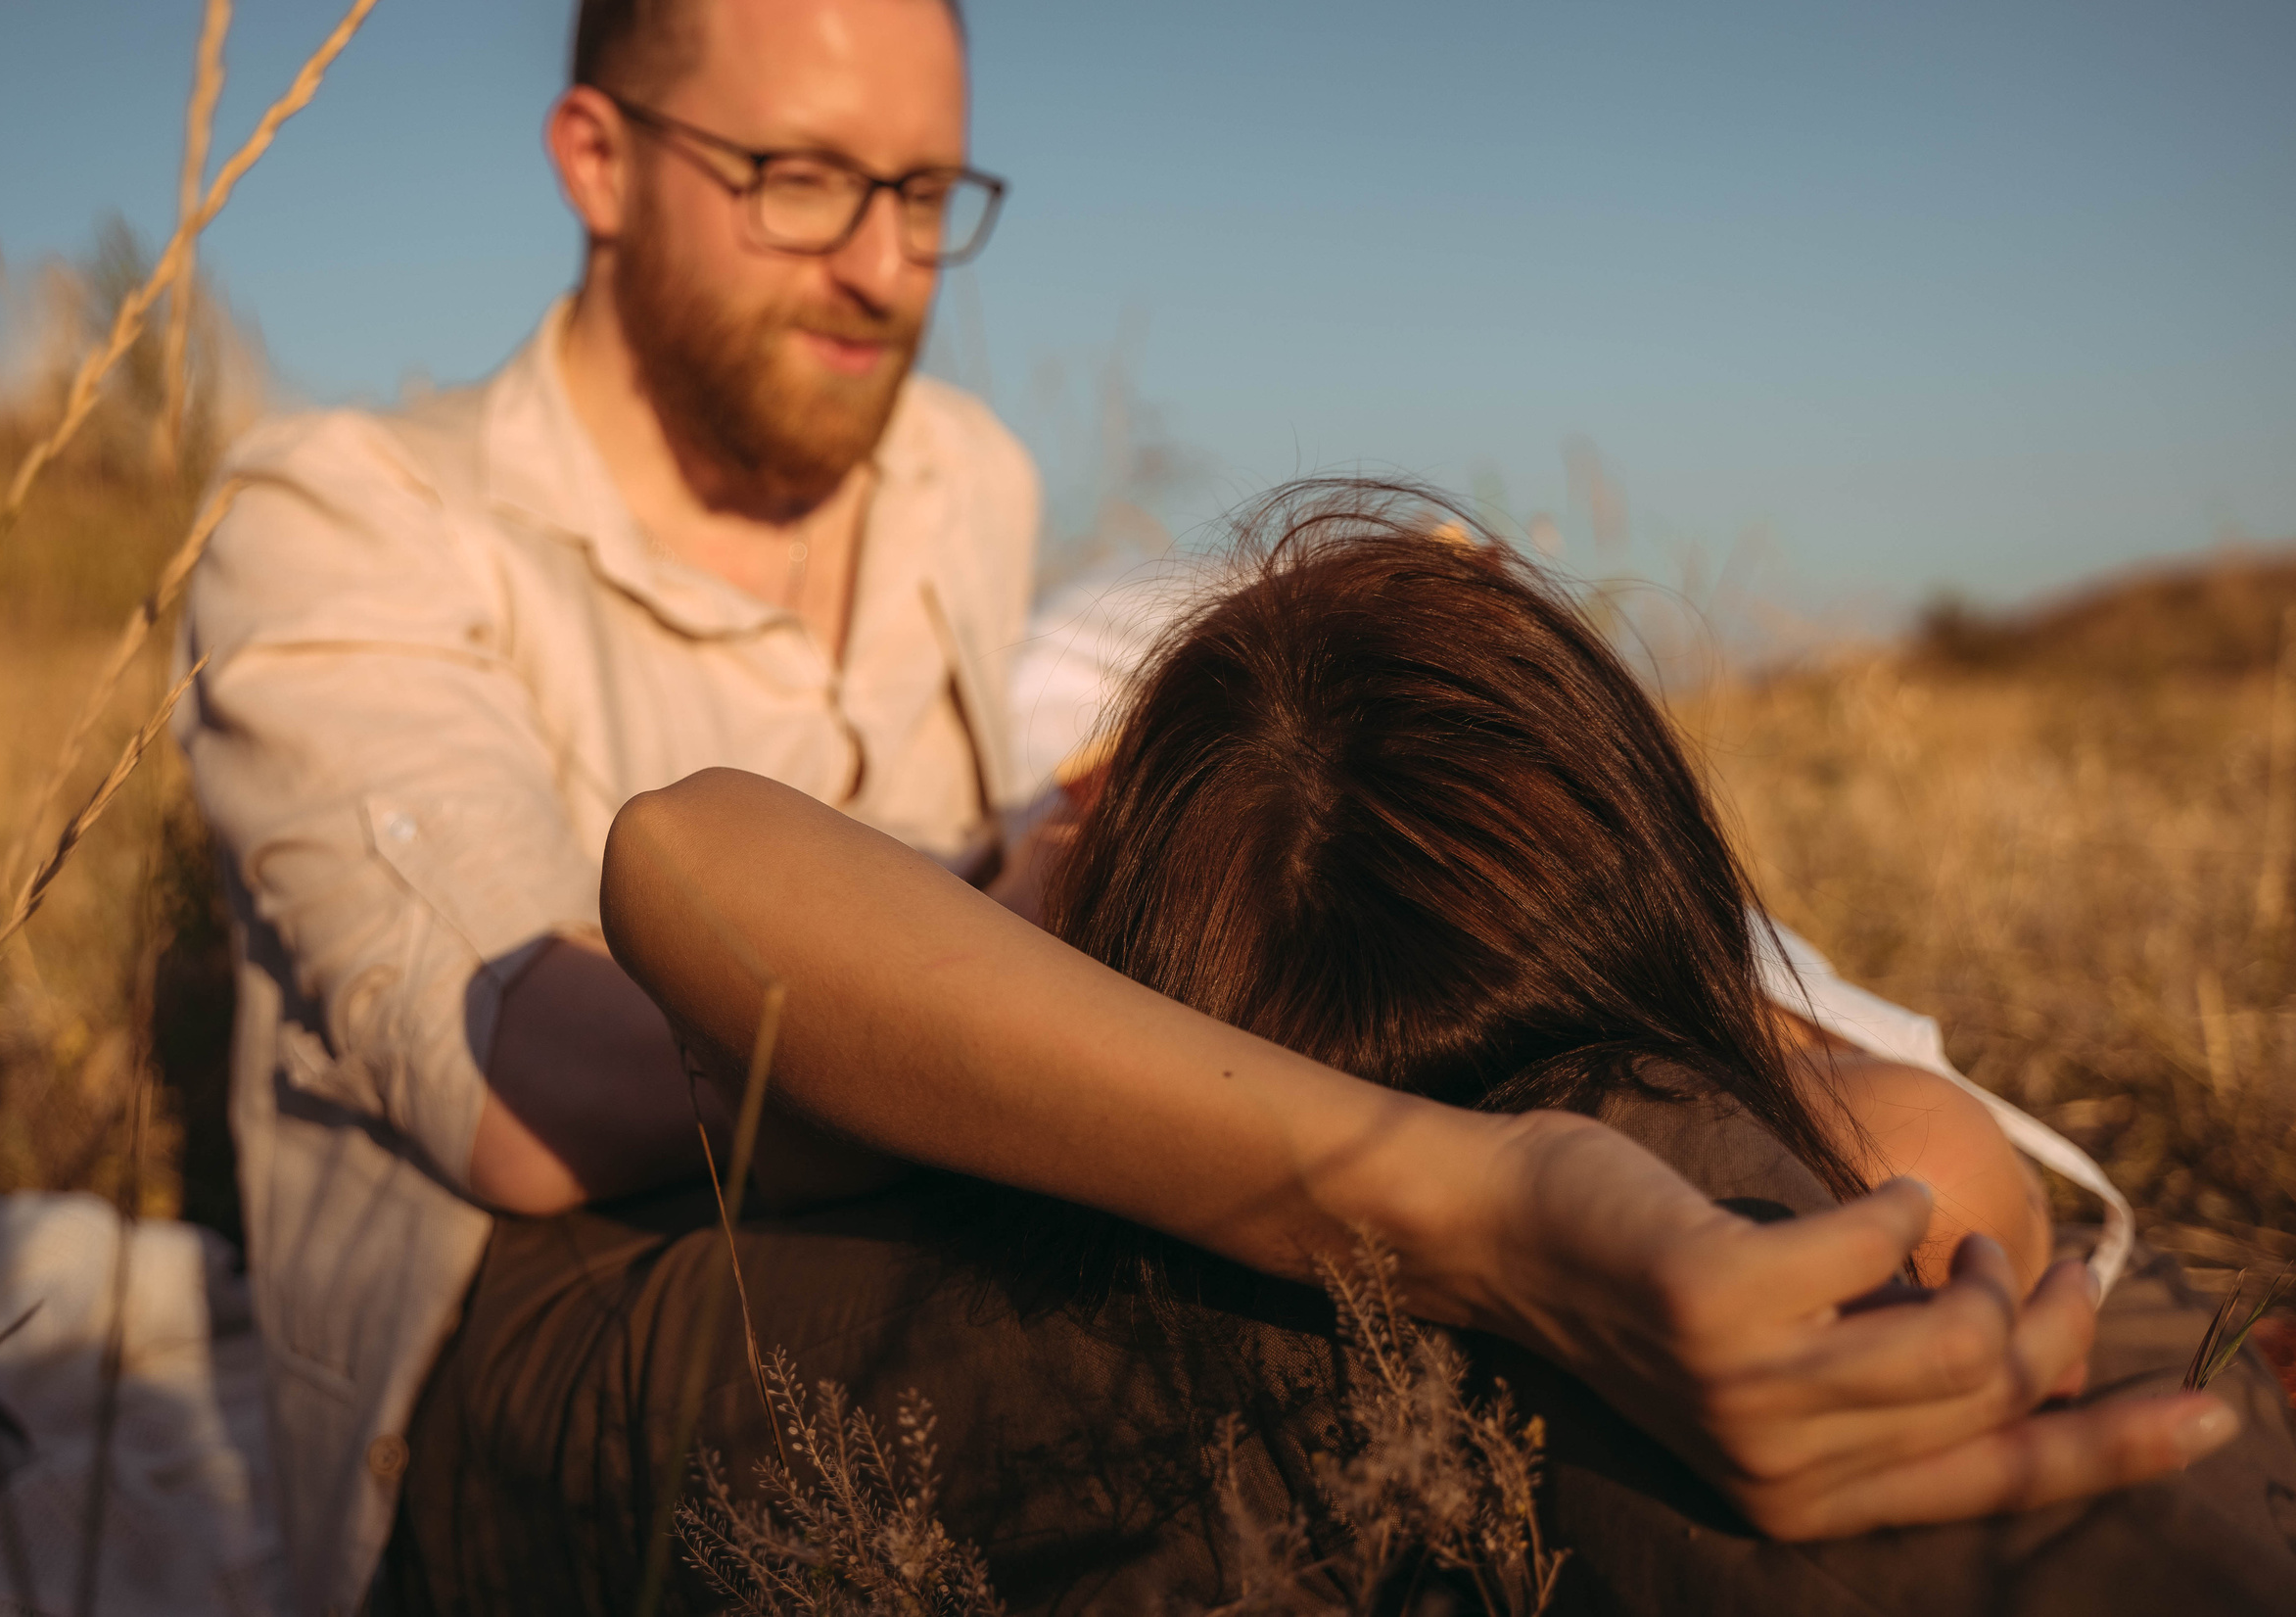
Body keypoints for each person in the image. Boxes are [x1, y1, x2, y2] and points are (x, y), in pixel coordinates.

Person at [176, 0, 2234, 1612]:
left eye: (923, 196)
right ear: (595, 155)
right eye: (798, 178)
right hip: (529, 1318)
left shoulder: (952, 482)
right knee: (1356, 1337)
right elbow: (525, 1087)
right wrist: (1043, 958)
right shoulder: (346, 517)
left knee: (1612, 1171)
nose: (880, 269)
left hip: (1002, 1134)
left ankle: (2040, 1417)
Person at [425, 494, 2279, 1612]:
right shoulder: (1056, 855)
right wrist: (1474, 1212)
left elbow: (1919, 1164)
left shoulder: (1554, 914)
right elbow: (686, 859)